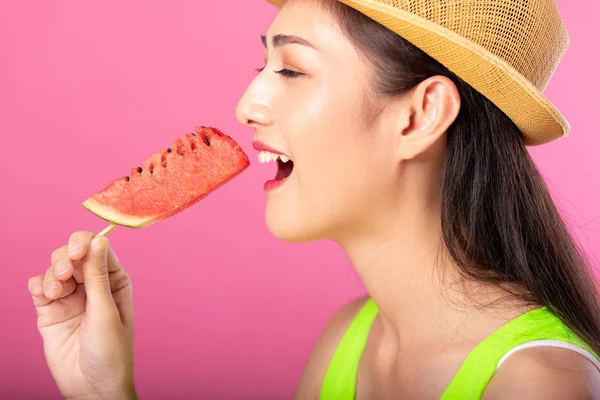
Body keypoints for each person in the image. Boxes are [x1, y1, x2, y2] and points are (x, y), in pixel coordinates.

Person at [28, 0, 600, 398]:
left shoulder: (538, 384)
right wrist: (102, 391)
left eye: (293, 70)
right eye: (263, 65)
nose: (247, 104)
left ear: (419, 116)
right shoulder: (349, 339)